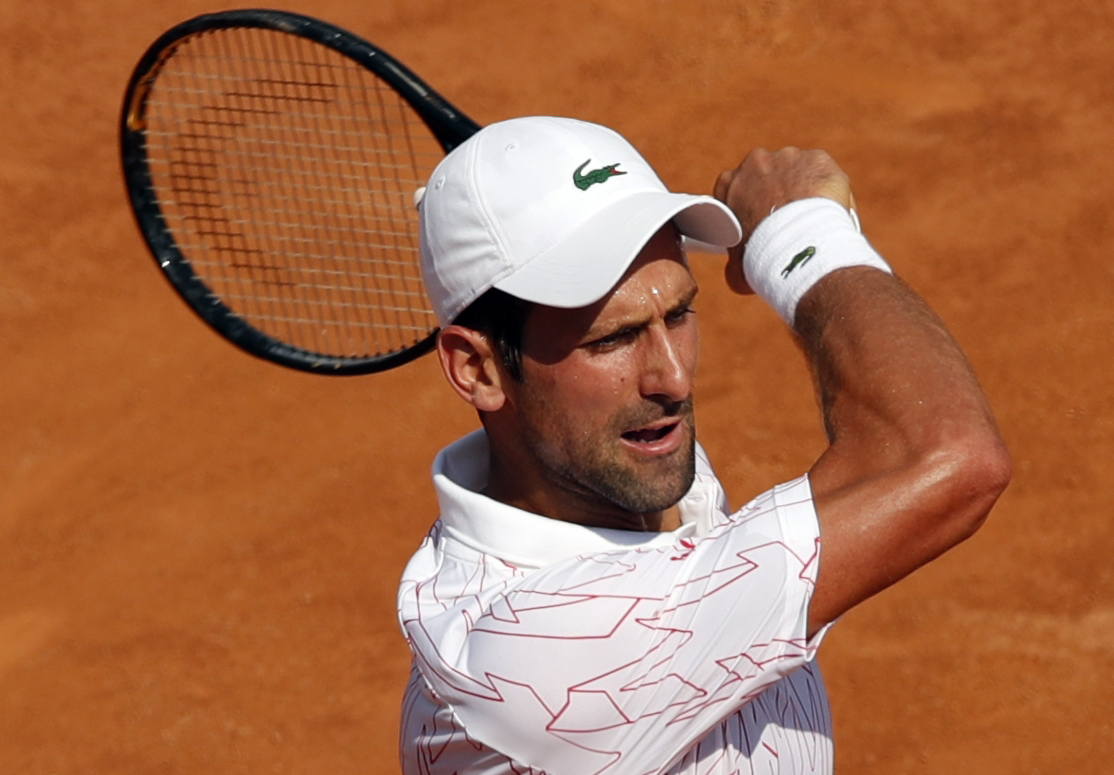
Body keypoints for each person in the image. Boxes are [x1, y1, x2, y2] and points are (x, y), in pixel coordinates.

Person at [396, 116, 1010, 775]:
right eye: (613, 338)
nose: (674, 377)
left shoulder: (613, 468)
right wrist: (801, 231)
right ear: (479, 368)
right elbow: (947, 457)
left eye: (679, 313)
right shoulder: (537, 655)